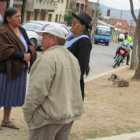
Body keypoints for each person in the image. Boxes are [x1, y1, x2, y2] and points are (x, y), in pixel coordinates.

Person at [23, 24, 84, 140]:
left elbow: (36, 91)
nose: (41, 40)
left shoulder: (47, 58)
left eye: (44, 37)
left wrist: (27, 114)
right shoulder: (72, 58)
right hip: (66, 116)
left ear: (53, 39)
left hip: (48, 118)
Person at [0, 7, 36, 130]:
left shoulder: (21, 29)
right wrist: (22, 56)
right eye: (17, 17)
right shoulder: (2, 30)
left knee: (9, 95)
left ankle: (5, 120)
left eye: (20, 16)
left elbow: (29, 43)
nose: (20, 19)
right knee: (0, 94)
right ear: (8, 18)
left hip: (18, 69)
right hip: (4, 69)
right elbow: (4, 49)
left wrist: (30, 52)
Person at [65, 11, 92, 100]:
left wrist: (70, 83)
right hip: (64, 80)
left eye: (75, 23)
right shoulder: (69, 37)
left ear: (83, 27)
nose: (71, 25)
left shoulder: (84, 42)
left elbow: (81, 67)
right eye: (72, 22)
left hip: (72, 85)